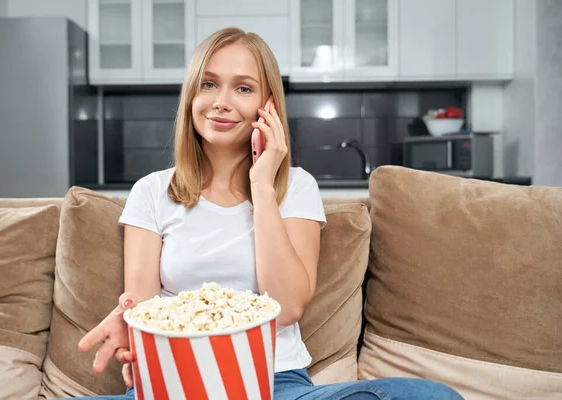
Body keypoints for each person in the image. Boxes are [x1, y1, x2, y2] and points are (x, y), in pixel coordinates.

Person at [74, 27, 463, 400]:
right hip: (176, 379)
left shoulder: (295, 187)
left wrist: (262, 187)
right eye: (208, 84)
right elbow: (144, 308)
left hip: (274, 382)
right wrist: (130, 320)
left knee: (431, 396)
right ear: (191, 96)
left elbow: (288, 306)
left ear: (268, 106)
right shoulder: (152, 192)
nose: (221, 101)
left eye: (243, 88)